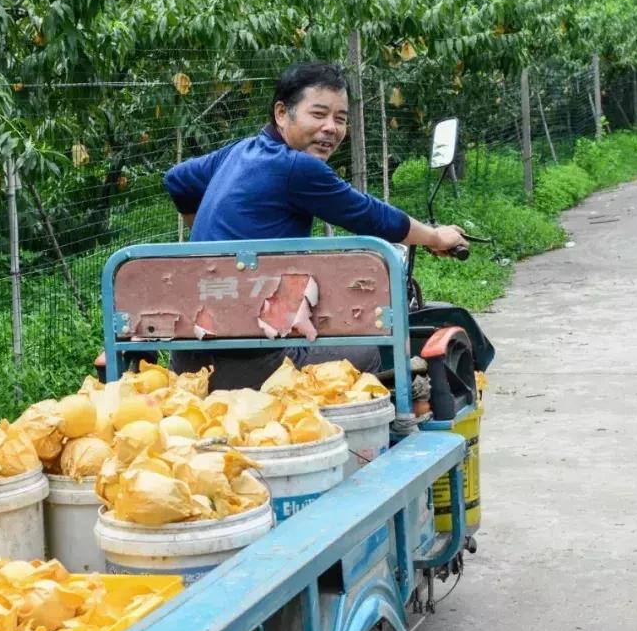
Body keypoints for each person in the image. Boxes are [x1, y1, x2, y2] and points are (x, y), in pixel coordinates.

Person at [162, 61, 466, 389]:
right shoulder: (296, 167)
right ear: (282, 113)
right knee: (375, 343)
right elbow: (372, 217)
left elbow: (177, 180)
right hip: (257, 366)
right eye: (318, 114)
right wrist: (436, 236)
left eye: (340, 119)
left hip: (186, 361)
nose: (331, 128)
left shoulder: (239, 153)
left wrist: (205, 250)